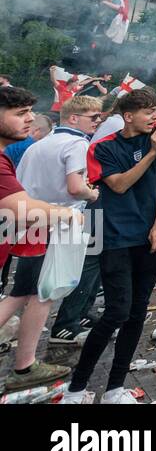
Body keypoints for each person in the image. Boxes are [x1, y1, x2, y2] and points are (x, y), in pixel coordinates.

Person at [61, 88, 156, 404]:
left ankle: (114, 389)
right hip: (115, 235)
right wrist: (151, 154)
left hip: (152, 235)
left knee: (138, 313)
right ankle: (77, 388)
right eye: (148, 111)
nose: (155, 116)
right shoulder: (102, 148)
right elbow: (120, 184)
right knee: (116, 312)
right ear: (128, 116)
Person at [0, 87, 84, 393]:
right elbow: (25, 207)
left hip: (28, 233)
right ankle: (24, 367)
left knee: (32, 293)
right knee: (29, 293)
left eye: (30, 112)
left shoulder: (11, 155)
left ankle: (25, 366)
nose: (31, 119)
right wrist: (68, 214)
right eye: (21, 113)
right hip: (37, 229)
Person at [14, 95, 102, 349]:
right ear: (73, 118)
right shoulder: (77, 144)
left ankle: (26, 352)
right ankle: (65, 328)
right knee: (53, 285)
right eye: (93, 117)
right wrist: (92, 193)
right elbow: (76, 188)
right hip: (62, 221)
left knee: (25, 290)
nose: (98, 122)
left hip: (30, 219)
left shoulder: (37, 144)